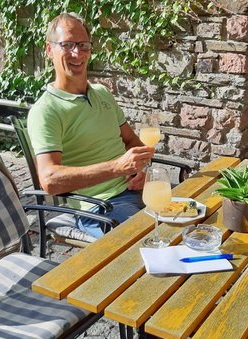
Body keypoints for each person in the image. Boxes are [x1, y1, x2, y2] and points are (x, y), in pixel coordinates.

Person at [27, 12, 154, 238]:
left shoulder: (102, 93)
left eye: (83, 45)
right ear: (49, 50)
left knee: (194, 219)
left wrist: (141, 170)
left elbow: (132, 141)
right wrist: (117, 167)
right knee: (153, 242)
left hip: (137, 190)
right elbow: (49, 180)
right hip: (101, 207)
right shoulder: (45, 110)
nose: (77, 53)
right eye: (67, 45)